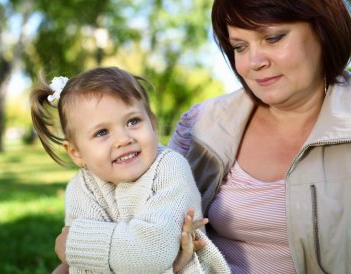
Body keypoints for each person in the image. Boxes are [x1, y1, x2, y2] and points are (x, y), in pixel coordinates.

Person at [170, 0, 351, 273]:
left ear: (323, 31)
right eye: (240, 47)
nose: (254, 62)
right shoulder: (200, 124)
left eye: (273, 38)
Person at [30, 66, 230, 274]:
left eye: (133, 121)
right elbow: (86, 268)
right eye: (102, 132)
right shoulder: (83, 187)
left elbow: (152, 253)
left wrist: (77, 244)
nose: (123, 139)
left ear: (152, 124)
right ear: (76, 153)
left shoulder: (169, 168)